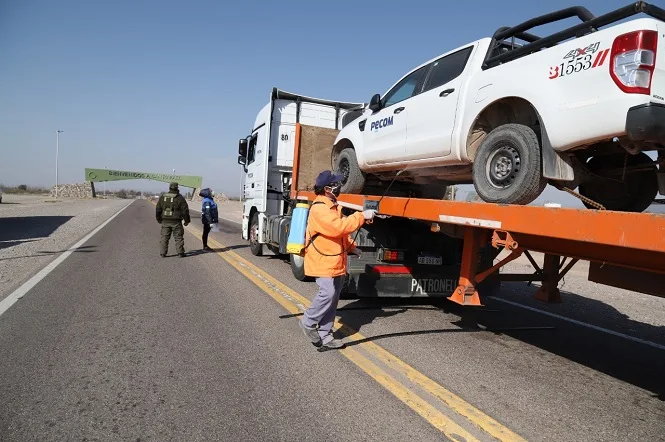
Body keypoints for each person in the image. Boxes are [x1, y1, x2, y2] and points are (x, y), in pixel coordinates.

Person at [298, 170, 376, 351]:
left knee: (333, 300)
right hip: (322, 260)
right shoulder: (319, 208)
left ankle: (325, 335)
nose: (339, 186)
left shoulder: (333, 206)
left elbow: (340, 236)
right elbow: (337, 227)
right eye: (336, 184)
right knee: (327, 294)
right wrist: (361, 216)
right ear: (327, 188)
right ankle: (308, 322)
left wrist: (352, 248)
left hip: (335, 261)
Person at [155, 182, 191, 257]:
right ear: (177, 188)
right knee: (178, 237)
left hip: (165, 221)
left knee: (164, 237)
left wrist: (159, 219)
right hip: (176, 221)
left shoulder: (163, 197)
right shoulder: (180, 198)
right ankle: (180, 252)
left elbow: (158, 209)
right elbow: (185, 211)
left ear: (169, 188)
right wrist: (187, 221)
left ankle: (163, 253)